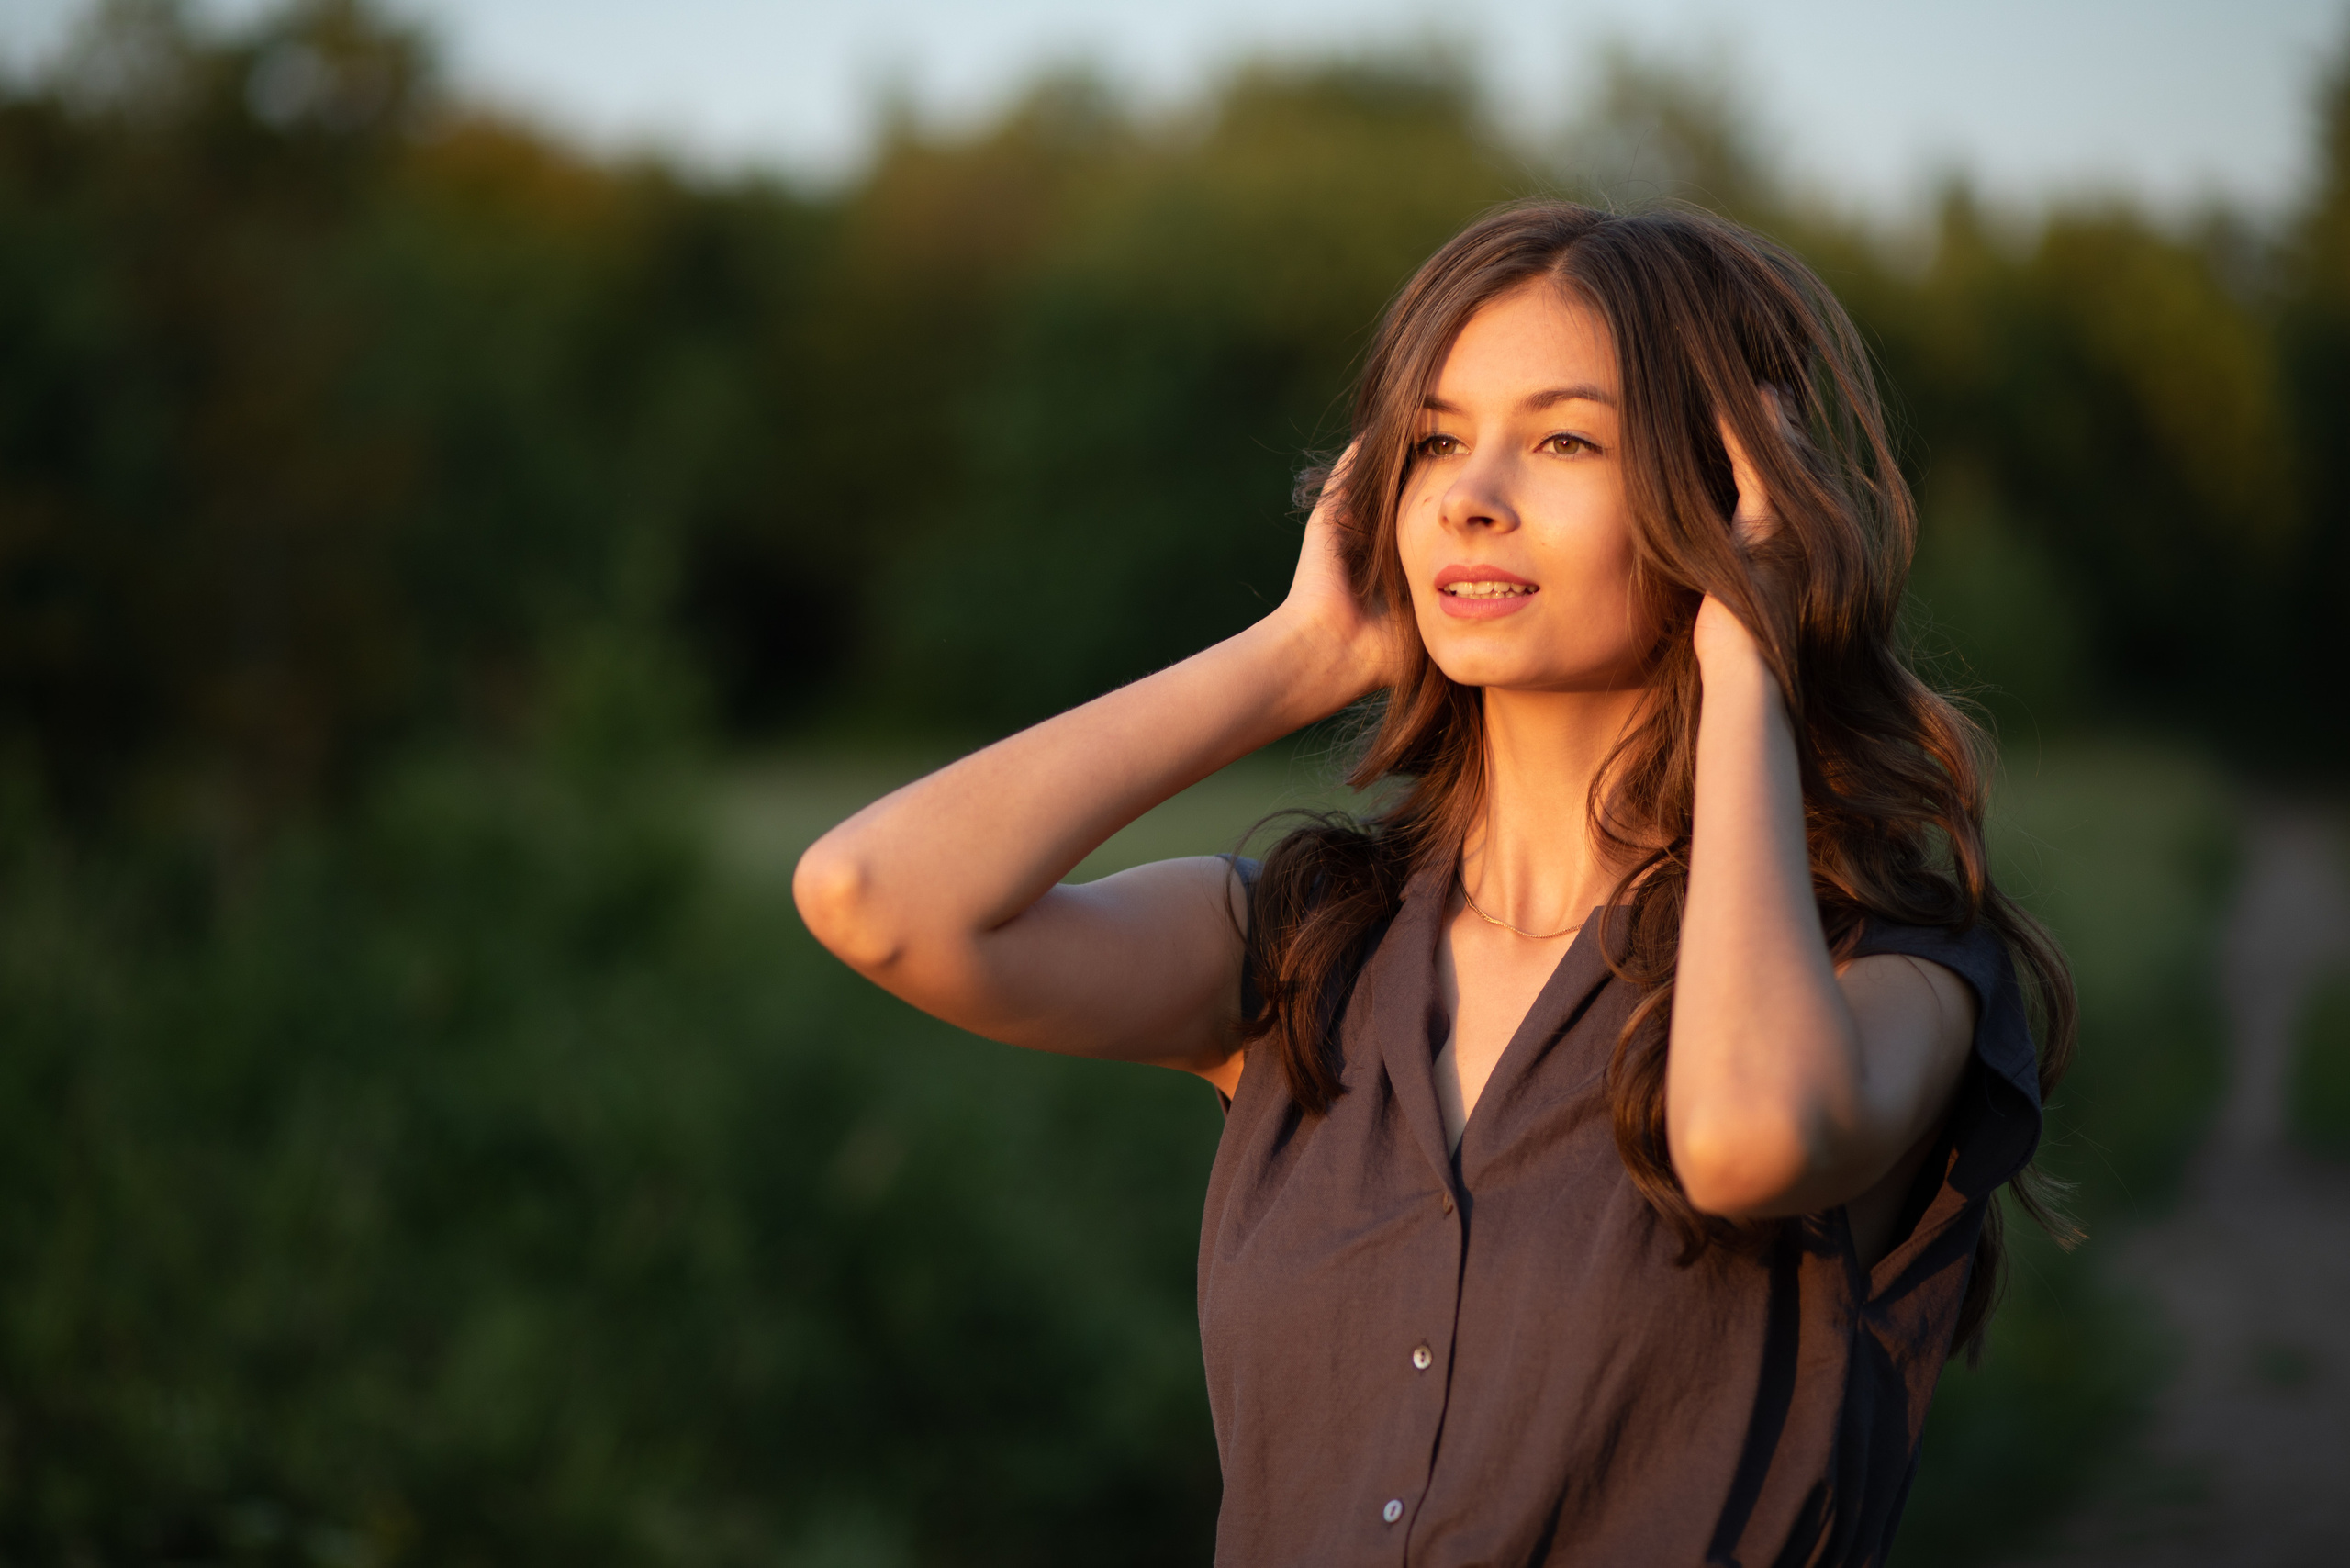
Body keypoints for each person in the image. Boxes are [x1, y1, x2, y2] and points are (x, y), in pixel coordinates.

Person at [793, 199, 2076, 1566]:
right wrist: (1296, 657)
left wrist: (1748, 657)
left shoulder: (1889, 978)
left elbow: (1742, 1137)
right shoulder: (1299, 950)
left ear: (1730, 495)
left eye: (1567, 439)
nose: (1472, 494)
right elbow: (874, 895)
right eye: (1437, 441)